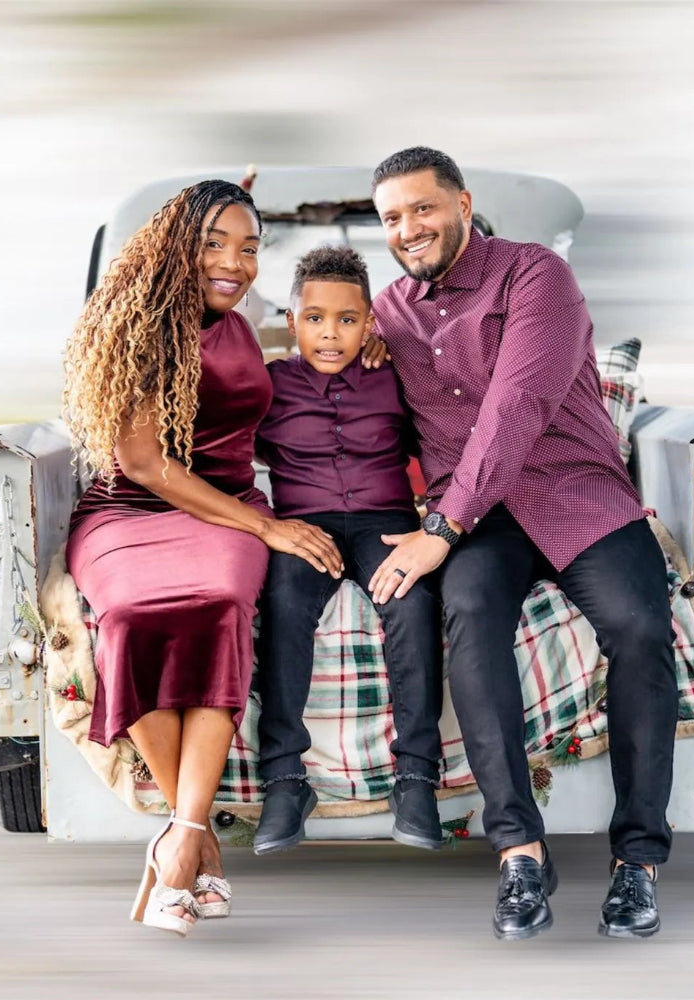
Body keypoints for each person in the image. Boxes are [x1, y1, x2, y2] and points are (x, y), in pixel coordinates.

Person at [367, 148, 679, 940]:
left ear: (462, 203)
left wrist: (440, 528)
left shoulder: (534, 275)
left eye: (422, 208)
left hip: (574, 491)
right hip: (482, 522)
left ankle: (638, 862)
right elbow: (330, 367)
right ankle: (520, 854)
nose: (408, 228)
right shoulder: (390, 311)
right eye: (392, 218)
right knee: (469, 621)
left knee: (642, 627)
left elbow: (519, 404)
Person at [62, 180, 344, 937]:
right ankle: (193, 837)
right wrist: (273, 530)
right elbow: (148, 466)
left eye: (249, 248)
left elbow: (295, 354)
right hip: (135, 508)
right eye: (214, 243)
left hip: (223, 508)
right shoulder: (141, 327)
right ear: (174, 247)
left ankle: (177, 840)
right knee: (129, 614)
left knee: (219, 605)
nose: (234, 262)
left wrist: (361, 342)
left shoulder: (238, 322)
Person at [252, 246, 444, 855]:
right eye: (314, 318)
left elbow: (443, 438)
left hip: (385, 524)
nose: (330, 334)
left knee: (411, 605)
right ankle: (285, 777)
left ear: (370, 323)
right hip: (304, 526)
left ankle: (416, 777)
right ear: (291, 320)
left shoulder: (397, 377)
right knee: (283, 603)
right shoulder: (270, 385)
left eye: (346, 319)